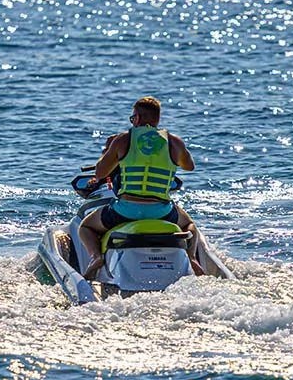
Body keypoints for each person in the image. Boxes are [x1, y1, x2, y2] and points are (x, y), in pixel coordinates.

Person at [78, 96, 204, 279]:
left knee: (86, 226)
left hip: (126, 210)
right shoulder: (173, 141)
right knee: (190, 225)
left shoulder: (123, 140)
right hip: (161, 212)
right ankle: (192, 257)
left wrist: (110, 151)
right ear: (157, 119)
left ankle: (96, 258)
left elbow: (100, 172)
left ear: (136, 118)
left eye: (133, 118)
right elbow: (189, 166)